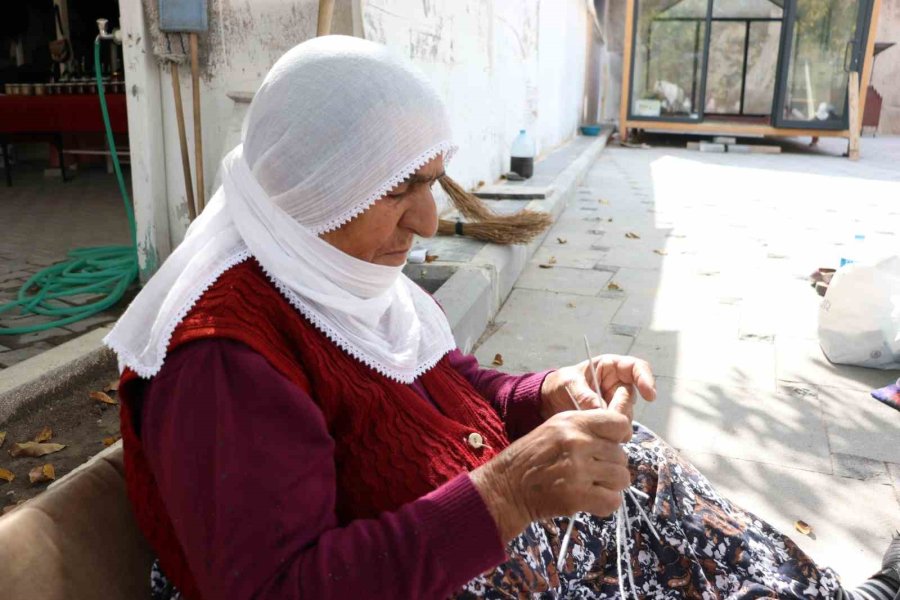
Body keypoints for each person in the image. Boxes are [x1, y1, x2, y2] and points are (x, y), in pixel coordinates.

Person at [105, 36, 900, 600]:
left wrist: (550, 391)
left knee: (633, 463)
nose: (426, 222)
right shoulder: (223, 361)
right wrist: (507, 494)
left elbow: (446, 380)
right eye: (397, 190)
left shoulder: (330, 271)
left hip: (444, 537)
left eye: (433, 183)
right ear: (316, 187)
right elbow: (273, 587)